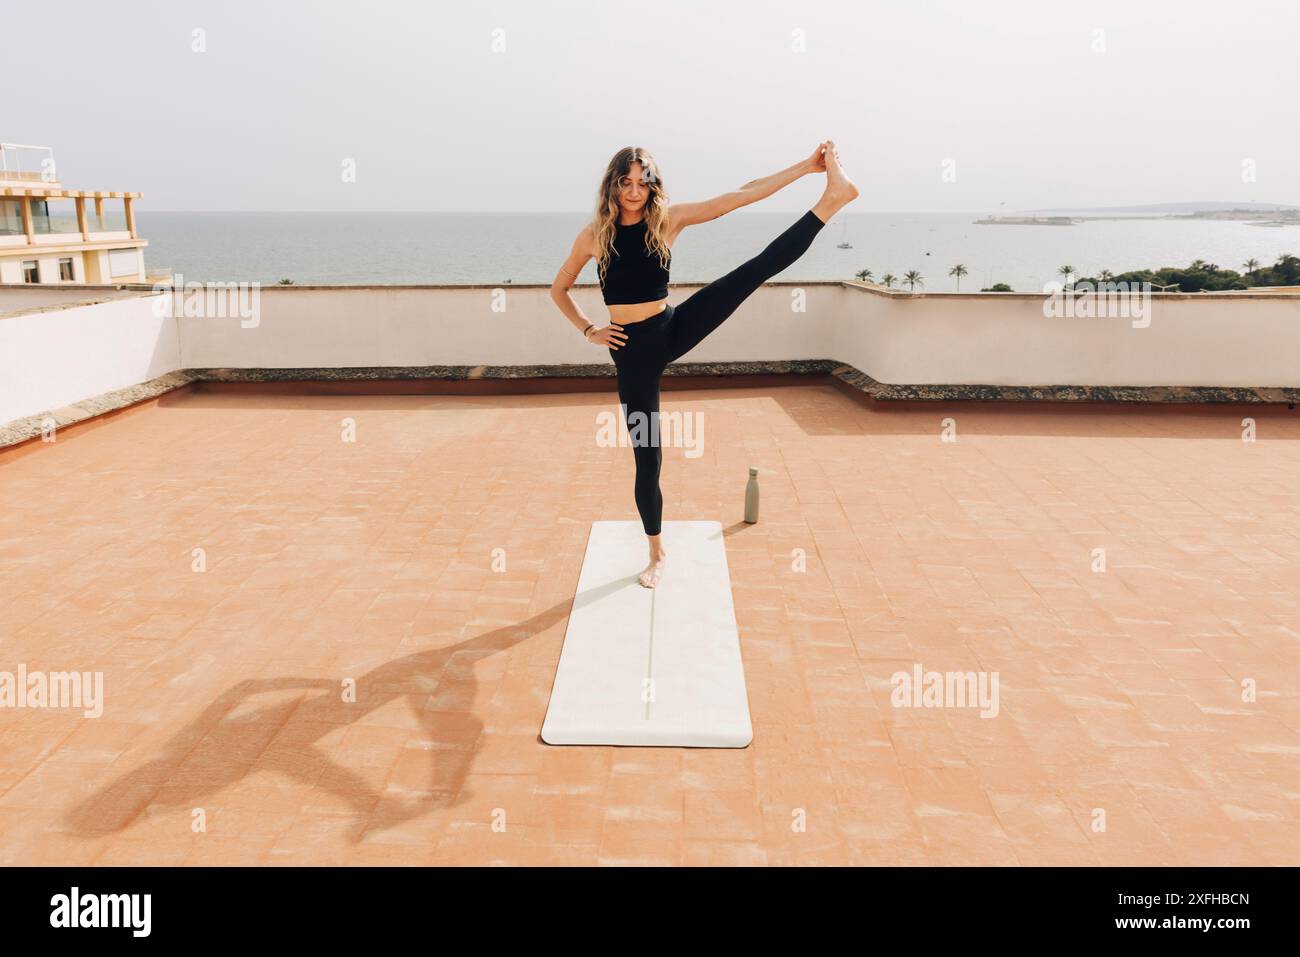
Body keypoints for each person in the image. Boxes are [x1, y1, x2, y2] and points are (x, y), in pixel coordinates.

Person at [550, 141, 858, 587]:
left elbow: (740, 196)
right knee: (648, 458)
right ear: (613, 185)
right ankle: (656, 552)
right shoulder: (594, 235)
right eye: (626, 182)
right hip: (630, 353)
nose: (635, 191)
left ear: (652, 185)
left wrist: (804, 168)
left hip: (671, 328)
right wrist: (588, 330)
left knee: (753, 271)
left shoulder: (668, 220)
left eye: (643, 182)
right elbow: (558, 289)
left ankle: (831, 200)